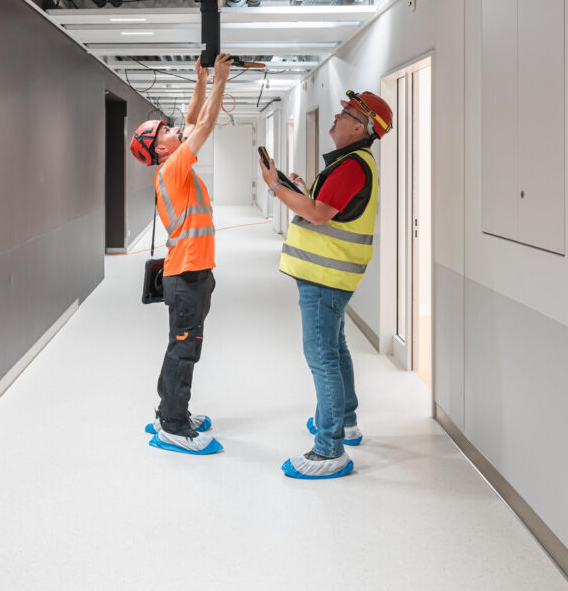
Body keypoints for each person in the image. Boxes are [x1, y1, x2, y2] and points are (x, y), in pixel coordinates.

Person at [258, 89, 393, 479]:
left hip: (325, 277)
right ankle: (345, 421)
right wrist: (299, 190)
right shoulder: (352, 162)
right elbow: (330, 211)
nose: (337, 116)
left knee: (322, 356)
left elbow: (318, 215)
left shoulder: (352, 165)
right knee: (336, 348)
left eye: (346, 113)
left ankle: (329, 448)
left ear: (360, 127)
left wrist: (275, 186)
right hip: (331, 275)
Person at [129, 53, 232, 455]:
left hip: (194, 270)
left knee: (180, 345)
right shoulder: (172, 169)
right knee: (185, 348)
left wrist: (202, 80)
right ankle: (173, 425)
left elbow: (191, 121)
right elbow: (203, 125)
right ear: (160, 149)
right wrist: (221, 80)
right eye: (166, 131)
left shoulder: (173, 164)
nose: (175, 130)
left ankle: (168, 411)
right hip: (187, 273)